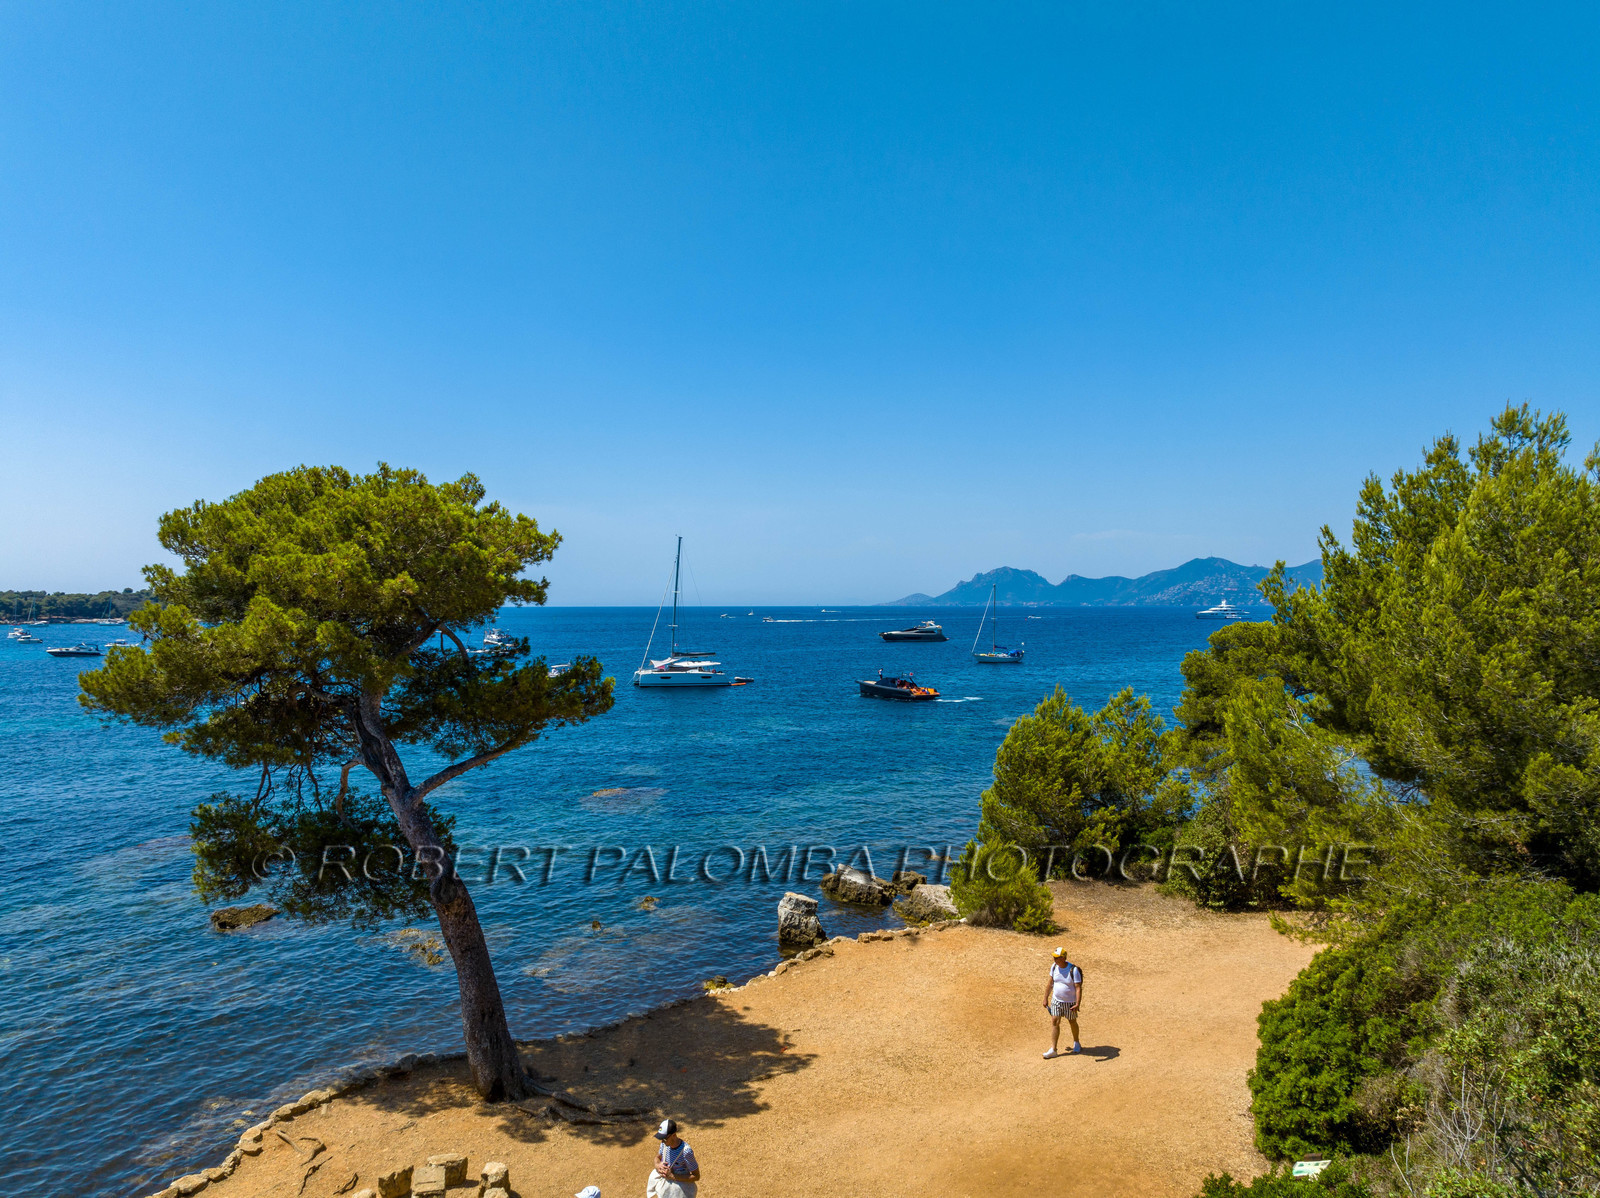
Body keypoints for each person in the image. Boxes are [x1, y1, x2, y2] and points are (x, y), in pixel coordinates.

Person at [1042, 945, 1084, 1058]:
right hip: (1056, 1001)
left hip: (1070, 1003)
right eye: (1054, 957)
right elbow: (1050, 983)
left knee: (1072, 1021)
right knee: (1055, 1021)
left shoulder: (1073, 970)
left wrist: (1077, 1003)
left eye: (1057, 957)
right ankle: (1053, 1049)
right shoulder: (1054, 967)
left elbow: (1078, 987)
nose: (1054, 959)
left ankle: (1076, 1042)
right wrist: (1046, 997)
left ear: (1063, 958)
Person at [646, 1118, 700, 1198]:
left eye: (664, 1139)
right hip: (666, 1186)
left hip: (680, 1189)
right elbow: (658, 1157)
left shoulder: (686, 1152)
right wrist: (657, 1164)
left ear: (674, 1135)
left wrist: (672, 1176)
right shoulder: (664, 1144)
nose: (662, 1142)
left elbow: (696, 1176)